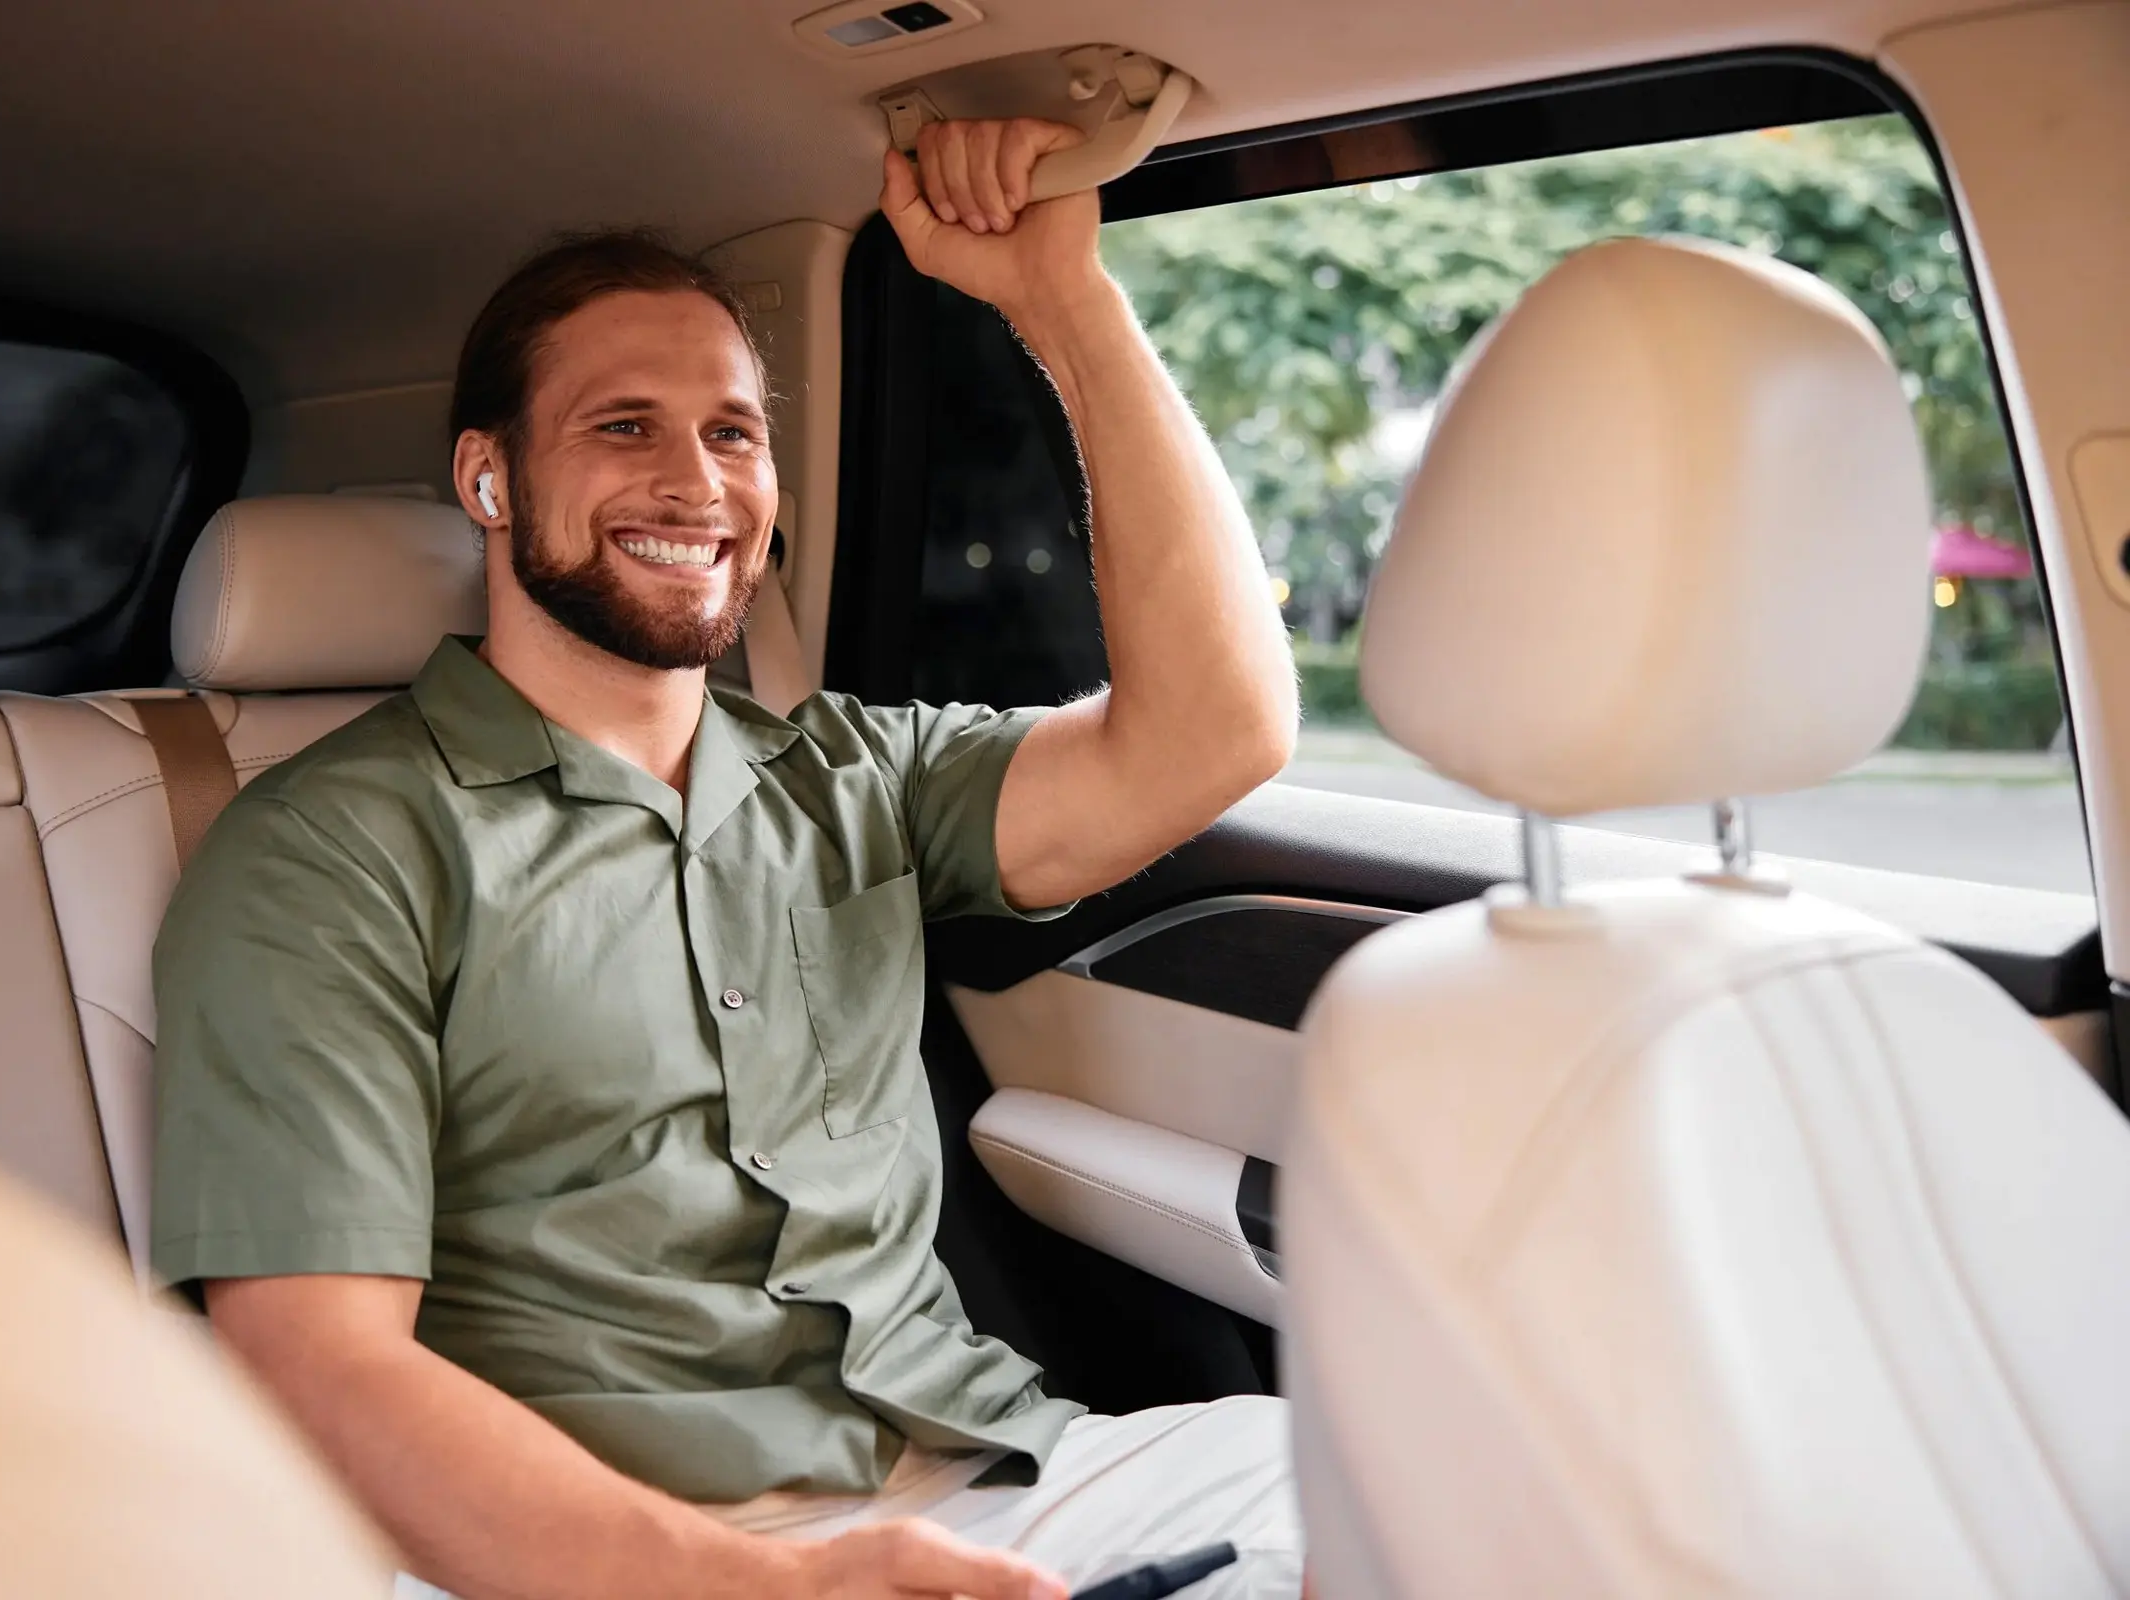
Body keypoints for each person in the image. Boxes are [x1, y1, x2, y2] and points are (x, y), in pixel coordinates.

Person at [151, 116, 1303, 1600]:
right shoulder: (332, 851)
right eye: (622, 426)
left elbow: (1215, 732)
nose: (697, 481)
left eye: (733, 431)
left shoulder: (855, 776)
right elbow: (315, 1360)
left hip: (991, 1474)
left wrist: (1063, 304)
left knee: (1420, 1493)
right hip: (590, 1553)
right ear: (489, 481)